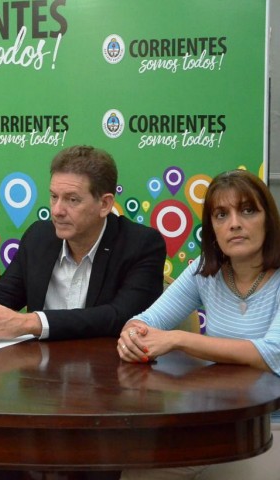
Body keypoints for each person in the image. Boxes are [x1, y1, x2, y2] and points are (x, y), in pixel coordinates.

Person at [118, 169, 280, 480]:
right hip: (211, 420)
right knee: (135, 468)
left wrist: (179, 339)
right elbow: (147, 320)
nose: (234, 223)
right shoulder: (205, 271)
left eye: (247, 210)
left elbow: (270, 353)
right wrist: (132, 336)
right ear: (212, 229)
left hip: (269, 425)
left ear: (268, 220)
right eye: (221, 214)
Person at [0, 145, 166, 342]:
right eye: (53, 196)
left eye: (72, 200)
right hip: (40, 364)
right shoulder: (39, 237)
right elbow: (4, 293)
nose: (57, 210)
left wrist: (31, 323)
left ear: (104, 204)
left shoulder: (141, 245)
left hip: (107, 364)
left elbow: (121, 317)